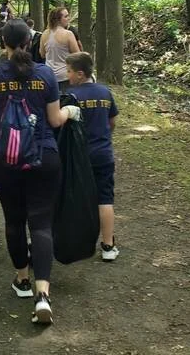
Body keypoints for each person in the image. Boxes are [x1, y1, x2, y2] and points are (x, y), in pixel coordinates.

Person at [0, 19, 81, 325]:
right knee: (41, 224)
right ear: (30, 42)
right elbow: (55, 120)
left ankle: (22, 279)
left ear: (2, 42)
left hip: (6, 159)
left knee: (14, 221)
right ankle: (43, 294)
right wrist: (71, 111)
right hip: (44, 156)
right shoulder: (44, 74)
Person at [66, 52, 120, 261]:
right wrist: (104, 136)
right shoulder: (105, 92)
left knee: (77, 198)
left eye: (69, 71)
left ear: (80, 74)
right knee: (105, 198)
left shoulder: (71, 96)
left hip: (79, 156)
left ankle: (76, 241)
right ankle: (107, 245)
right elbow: (112, 121)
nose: (67, 75)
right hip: (103, 154)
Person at [40, 7, 80, 92]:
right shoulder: (68, 34)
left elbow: (42, 54)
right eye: (66, 16)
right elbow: (78, 55)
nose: (68, 18)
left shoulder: (45, 34)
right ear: (58, 19)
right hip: (65, 76)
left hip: (49, 75)